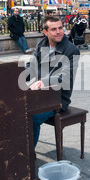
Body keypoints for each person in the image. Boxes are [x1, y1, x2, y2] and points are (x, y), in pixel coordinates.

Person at [25, 16, 80, 149]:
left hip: (58, 98)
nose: (59, 32)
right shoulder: (41, 44)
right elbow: (31, 67)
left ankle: (28, 156)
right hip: (41, 95)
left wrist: (42, 82)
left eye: (60, 28)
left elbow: (66, 78)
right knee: (15, 108)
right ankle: (18, 149)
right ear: (45, 32)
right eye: (54, 29)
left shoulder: (71, 50)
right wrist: (15, 76)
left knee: (33, 117)